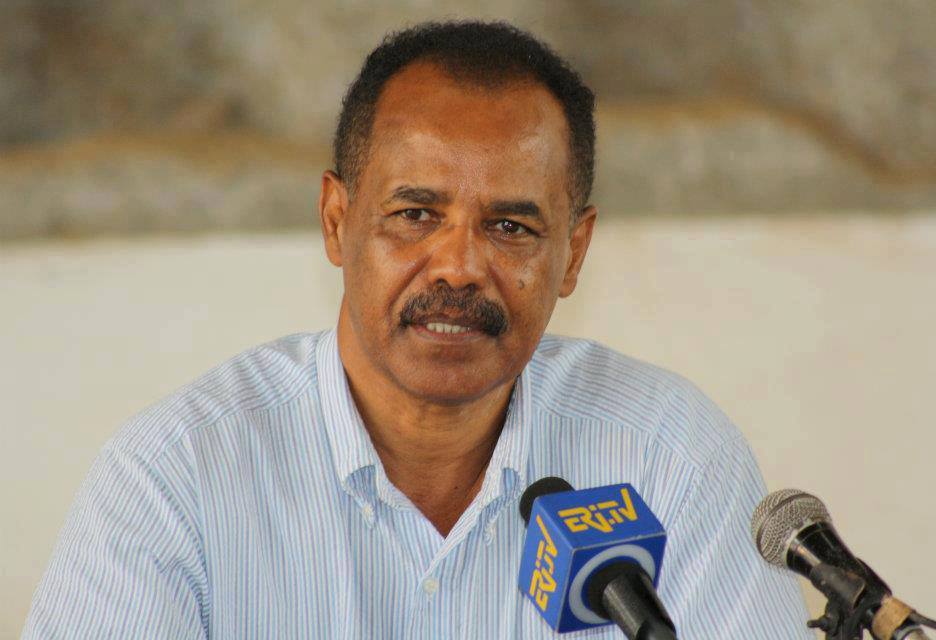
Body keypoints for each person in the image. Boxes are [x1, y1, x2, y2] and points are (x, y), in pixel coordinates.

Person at [24, 21, 811, 638]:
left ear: (573, 254)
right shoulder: (176, 479)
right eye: (415, 215)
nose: (459, 267)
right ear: (337, 221)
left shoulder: (669, 459)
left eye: (510, 227)